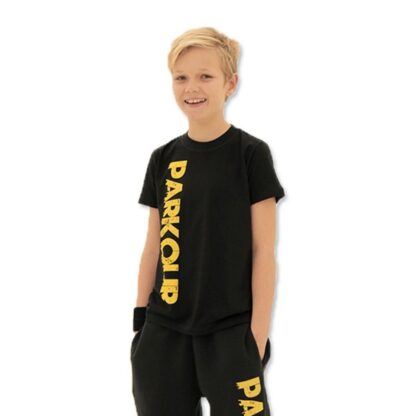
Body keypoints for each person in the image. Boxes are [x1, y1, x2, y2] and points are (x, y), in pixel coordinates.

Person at [130, 26, 285, 416]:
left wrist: (257, 338)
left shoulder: (251, 155)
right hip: (163, 336)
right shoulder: (162, 158)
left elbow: (263, 250)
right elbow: (153, 246)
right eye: (181, 77)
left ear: (230, 84)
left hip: (231, 335)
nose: (192, 87)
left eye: (205, 76)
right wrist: (140, 324)